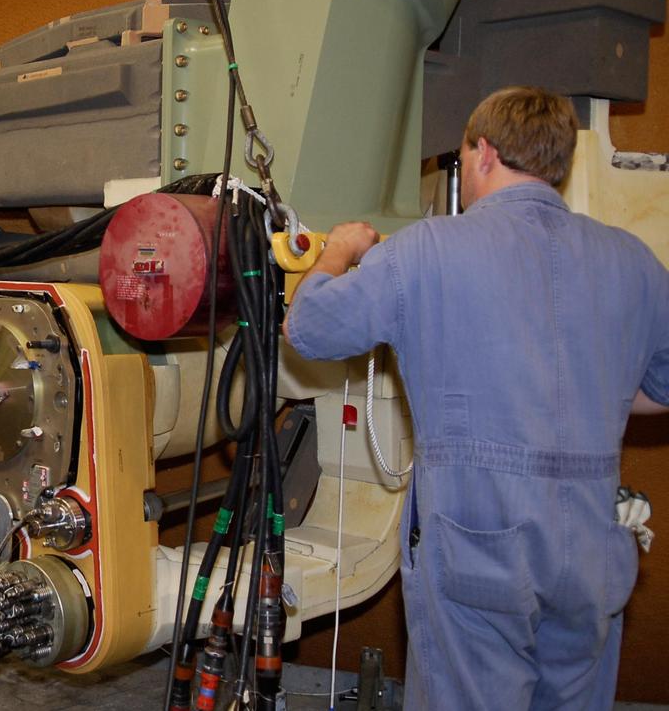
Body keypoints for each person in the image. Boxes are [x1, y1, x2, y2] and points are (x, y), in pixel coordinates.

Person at [283, 86, 669, 710]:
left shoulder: (431, 247)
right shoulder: (633, 261)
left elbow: (309, 329)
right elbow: (660, 390)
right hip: (594, 547)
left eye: (461, 156)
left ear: (483, 152)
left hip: (480, 542)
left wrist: (340, 250)